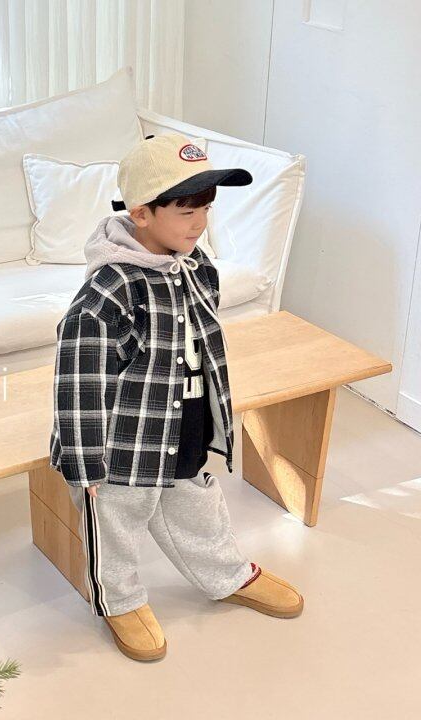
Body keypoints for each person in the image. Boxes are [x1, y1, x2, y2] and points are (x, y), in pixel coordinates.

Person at [49, 132, 304, 662]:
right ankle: (119, 601)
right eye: (187, 211)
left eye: (207, 208)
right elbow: (79, 384)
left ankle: (227, 575)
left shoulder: (197, 266)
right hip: (119, 446)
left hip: (181, 421)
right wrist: (85, 465)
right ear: (141, 213)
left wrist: (214, 419)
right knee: (116, 525)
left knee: (197, 505)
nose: (200, 223)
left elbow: (202, 346)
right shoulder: (108, 293)